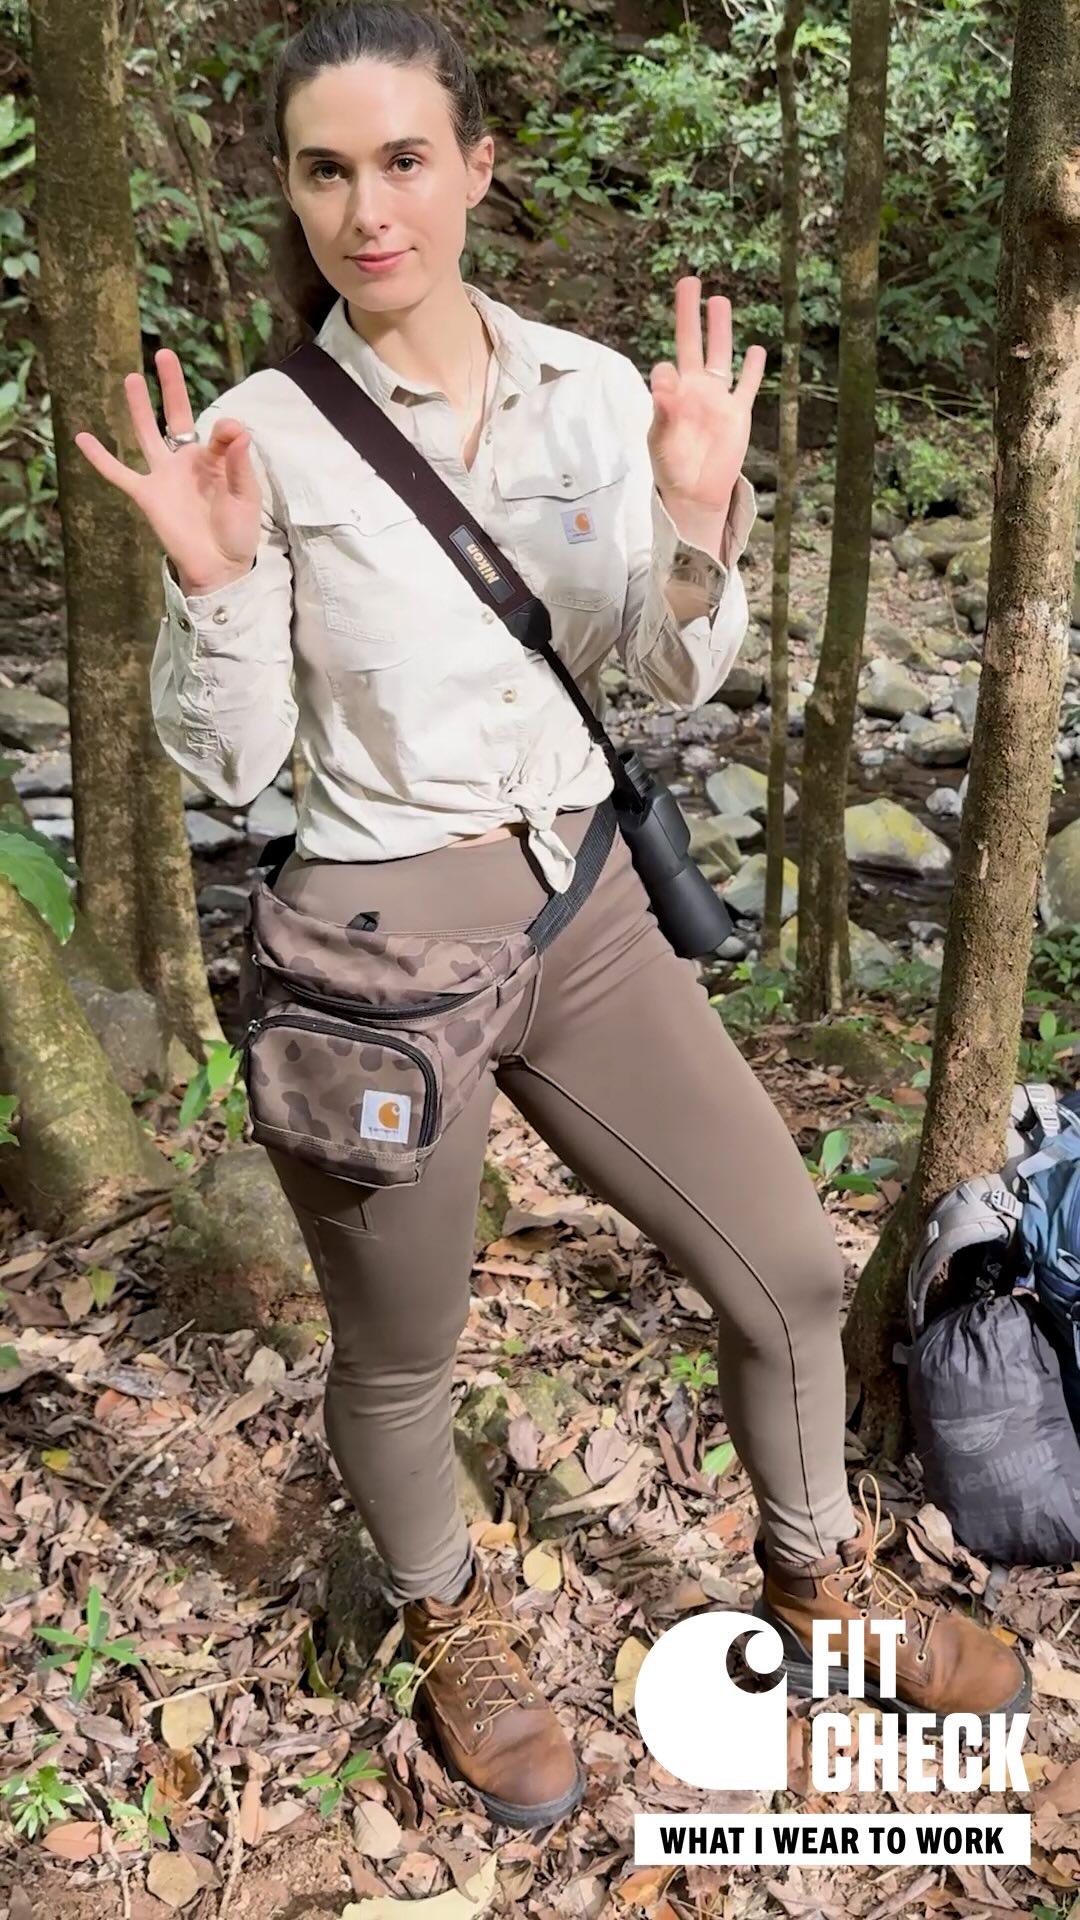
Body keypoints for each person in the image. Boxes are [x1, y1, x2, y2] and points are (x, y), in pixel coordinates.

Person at [75, 0, 1030, 1835]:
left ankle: (817, 1581)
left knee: (789, 1263)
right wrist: (210, 585)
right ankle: (448, 1615)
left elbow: (671, 677)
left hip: (583, 910)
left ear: (477, 166)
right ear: (291, 190)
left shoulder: (598, 388)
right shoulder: (260, 433)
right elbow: (238, 766)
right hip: (375, 954)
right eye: (327, 171)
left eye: (404, 160)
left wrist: (698, 513)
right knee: (403, 1352)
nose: (370, 209)